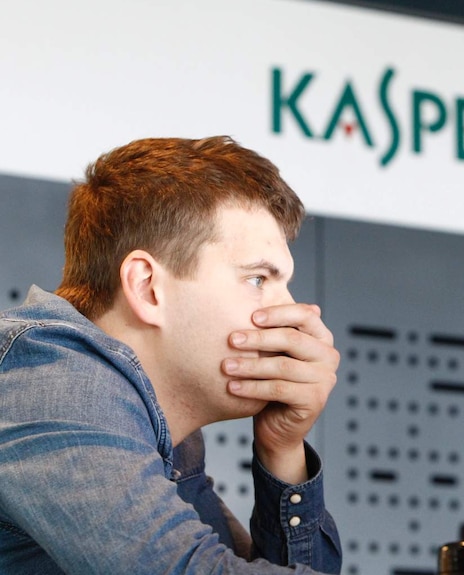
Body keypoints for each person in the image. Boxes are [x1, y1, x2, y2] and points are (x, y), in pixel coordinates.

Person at [0, 136, 342, 573]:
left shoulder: (169, 438)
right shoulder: (47, 375)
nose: (293, 315)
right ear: (147, 288)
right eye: (258, 280)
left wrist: (283, 448)